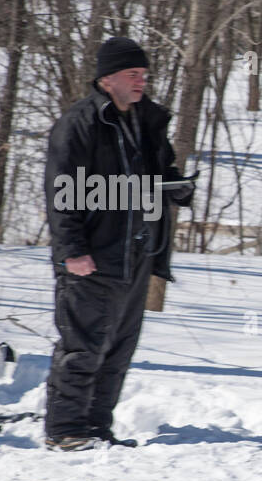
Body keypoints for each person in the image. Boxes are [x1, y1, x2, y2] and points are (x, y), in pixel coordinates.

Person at [42, 37, 195, 451]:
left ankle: (95, 428)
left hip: (137, 257)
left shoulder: (146, 121)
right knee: (83, 346)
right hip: (92, 256)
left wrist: (177, 188)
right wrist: (71, 250)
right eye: (133, 74)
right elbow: (62, 191)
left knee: (117, 350)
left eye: (144, 74)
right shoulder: (80, 124)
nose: (141, 81)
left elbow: (160, 173)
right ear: (106, 79)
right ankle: (64, 430)